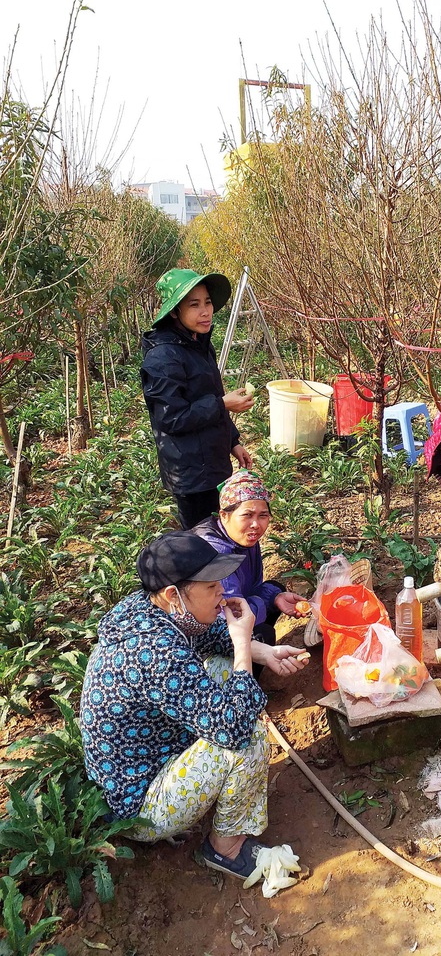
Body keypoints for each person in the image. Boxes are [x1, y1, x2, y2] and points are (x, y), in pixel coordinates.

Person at [80, 532, 309, 879]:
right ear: (175, 594)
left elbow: (212, 636)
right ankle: (226, 849)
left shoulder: (148, 608)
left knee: (221, 665)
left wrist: (267, 652)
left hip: (153, 750)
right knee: (246, 736)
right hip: (139, 804)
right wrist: (244, 644)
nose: (222, 594)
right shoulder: (153, 652)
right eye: (211, 587)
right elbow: (233, 725)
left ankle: (212, 797)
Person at [141, 268, 255, 530]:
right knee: (203, 542)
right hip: (190, 472)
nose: (205, 311)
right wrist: (223, 404)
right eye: (194, 305)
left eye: (208, 302)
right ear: (174, 311)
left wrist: (232, 442)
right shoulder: (163, 357)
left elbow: (210, 397)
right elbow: (172, 417)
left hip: (212, 462)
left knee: (220, 533)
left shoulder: (199, 343)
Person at [192, 470, 307, 669]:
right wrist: (267, 601)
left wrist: (274, 597)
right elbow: (231, 616)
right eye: (247, 515)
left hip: (234, 611)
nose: (256, 525)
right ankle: (243, 684)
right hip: (209, 635)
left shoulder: (244, 538)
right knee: (265, 634)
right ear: (224, 515)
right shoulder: (216, 554)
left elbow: (251, 590)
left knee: (275, 588)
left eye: (263, 516)